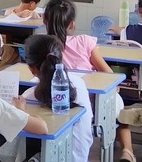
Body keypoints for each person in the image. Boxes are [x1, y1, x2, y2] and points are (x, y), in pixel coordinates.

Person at [44, 0, 142, 162]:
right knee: (116, 108)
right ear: (72, 24)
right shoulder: (84, 42)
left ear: (44, 21)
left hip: (53, 104)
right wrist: (115, 87)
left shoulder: (42, 46)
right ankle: (128, 151)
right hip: (92, 106)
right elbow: (108, 74)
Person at [23, 34, 93, 162]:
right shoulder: (79, 84)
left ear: (31, 69)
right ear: (60, 58)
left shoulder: (29, 97)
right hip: (80, 157)